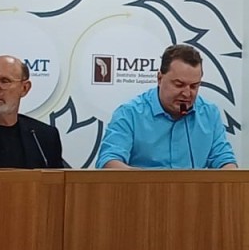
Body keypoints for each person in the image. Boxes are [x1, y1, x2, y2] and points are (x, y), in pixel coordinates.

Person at [96, 44, 237, 169]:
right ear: (159, 78)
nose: (187, 93)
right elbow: (109, 161)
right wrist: (145, 181)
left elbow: (224, 160)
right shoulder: (129, 114)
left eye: (194, 86)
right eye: (179, 85)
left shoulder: (210, 114)